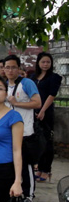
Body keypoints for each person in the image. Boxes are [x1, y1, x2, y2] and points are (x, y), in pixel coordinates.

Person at [4, 54, 41, 198]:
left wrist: (16, 103)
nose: (10, 70)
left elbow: (37, 103)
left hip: (25, 133)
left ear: (19, 68)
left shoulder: (26, 83)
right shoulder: (3, 85)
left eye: (13, 67)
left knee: (26, 167)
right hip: (8, 133)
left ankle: (29, 197)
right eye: (7, 67)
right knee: (12, 167)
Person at [31, 52, 62, 182]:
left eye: (48, 62)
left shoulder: (54, 77)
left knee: (47, 141)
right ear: (38, 63)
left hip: (46, 112)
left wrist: (43, 110)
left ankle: (46, 170)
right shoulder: (33, 77)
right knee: (37, 140)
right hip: (33, 111)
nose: (45, 64)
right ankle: (38, 168)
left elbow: (52, 95)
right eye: (43, 62)